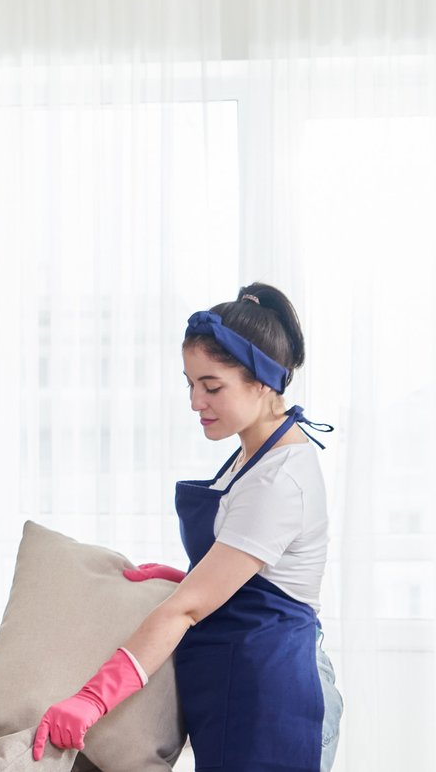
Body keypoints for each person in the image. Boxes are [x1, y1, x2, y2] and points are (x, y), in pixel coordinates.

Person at [32, 283, 343, 771]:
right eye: (190, 383)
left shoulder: (280, 479)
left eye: (212, 386)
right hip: (236, 683)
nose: (196, 401)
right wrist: (183, 577)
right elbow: (253, 579)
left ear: (262, 381)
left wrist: (93, 699)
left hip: (273, 698)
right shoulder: (250, 454)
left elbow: (188, 611)